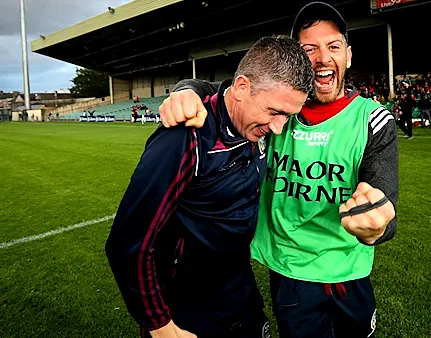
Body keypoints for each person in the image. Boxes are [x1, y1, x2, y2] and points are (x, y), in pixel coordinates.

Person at [158, 2, 398, 337]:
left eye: (333, 47)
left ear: (348, 55)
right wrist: (186, 90)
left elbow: (386, 205)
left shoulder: (372, 119)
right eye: (309, 49)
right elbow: (225, 91)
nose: (322, 58)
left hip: (349, 270)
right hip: (290, 271)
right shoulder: (275, 111)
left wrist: (378, 226)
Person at [105, 35, 314, 338]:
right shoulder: (185, 137)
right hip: (187, 306)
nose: (279, 127)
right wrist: (161, 328)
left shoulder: (256, 123)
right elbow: (129, 243)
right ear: (242, 88)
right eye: (274, 112)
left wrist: (187, 87)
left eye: (288, 116)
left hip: (240, 290)